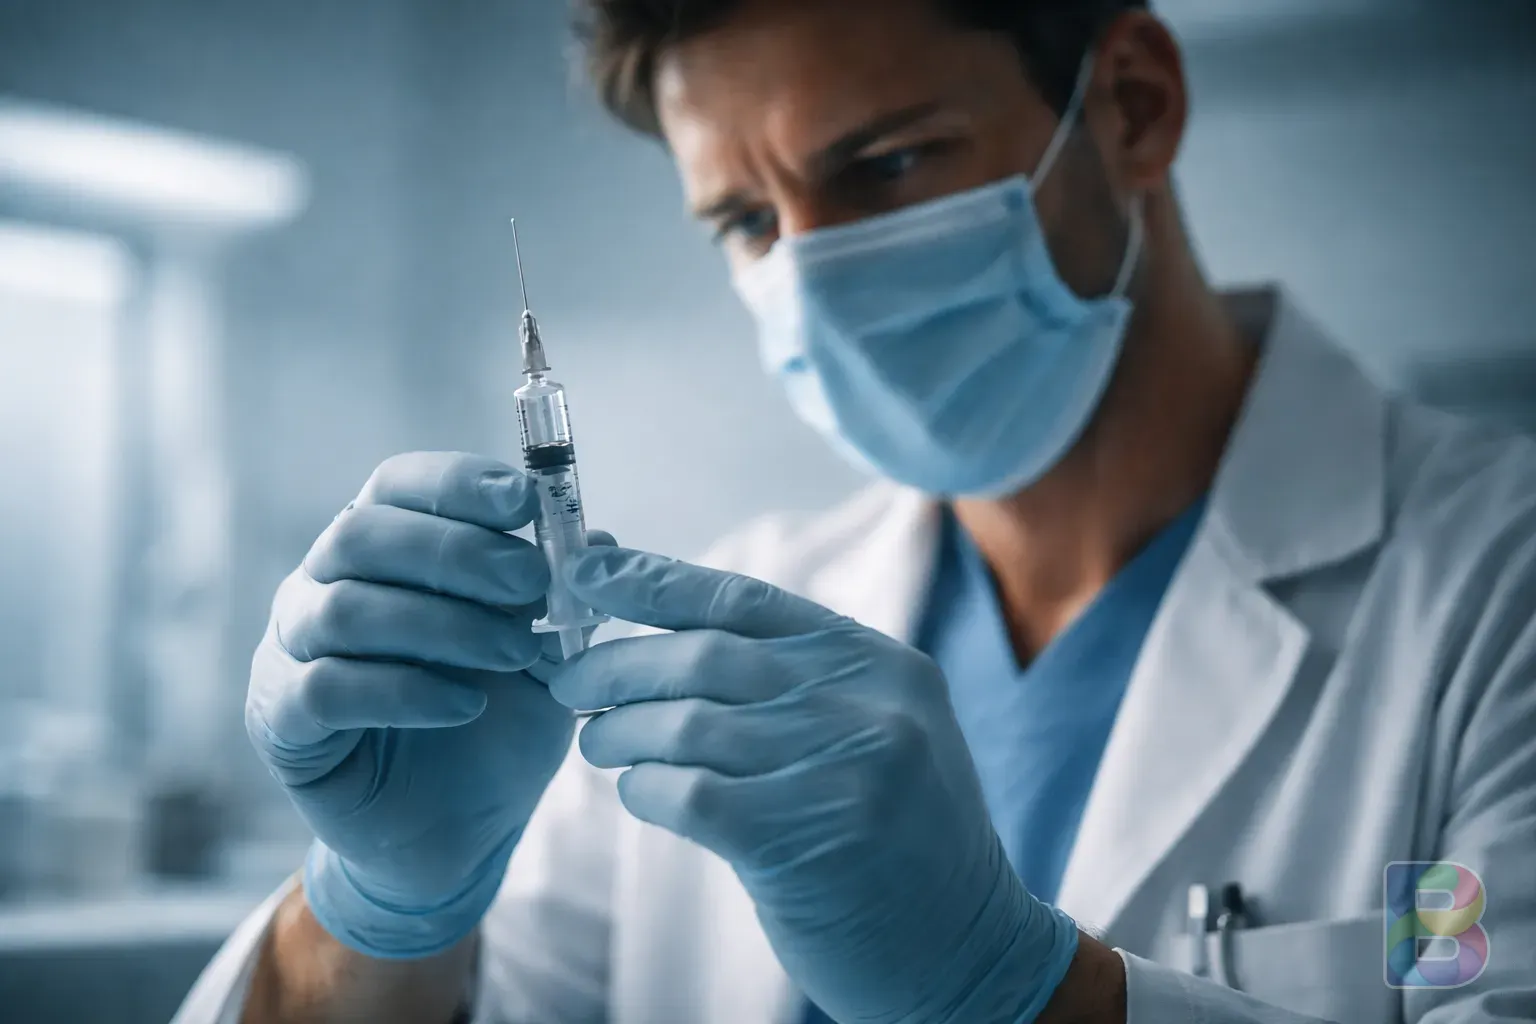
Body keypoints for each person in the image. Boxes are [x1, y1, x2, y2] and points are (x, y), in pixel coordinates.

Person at [175, 0, 1536, 1021]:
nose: (814, 279)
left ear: (1130, 103)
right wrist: (389, 909)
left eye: (884, 167)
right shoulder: (701, 665)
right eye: (748, 224)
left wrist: (1020, 991)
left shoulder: (1493, 589)